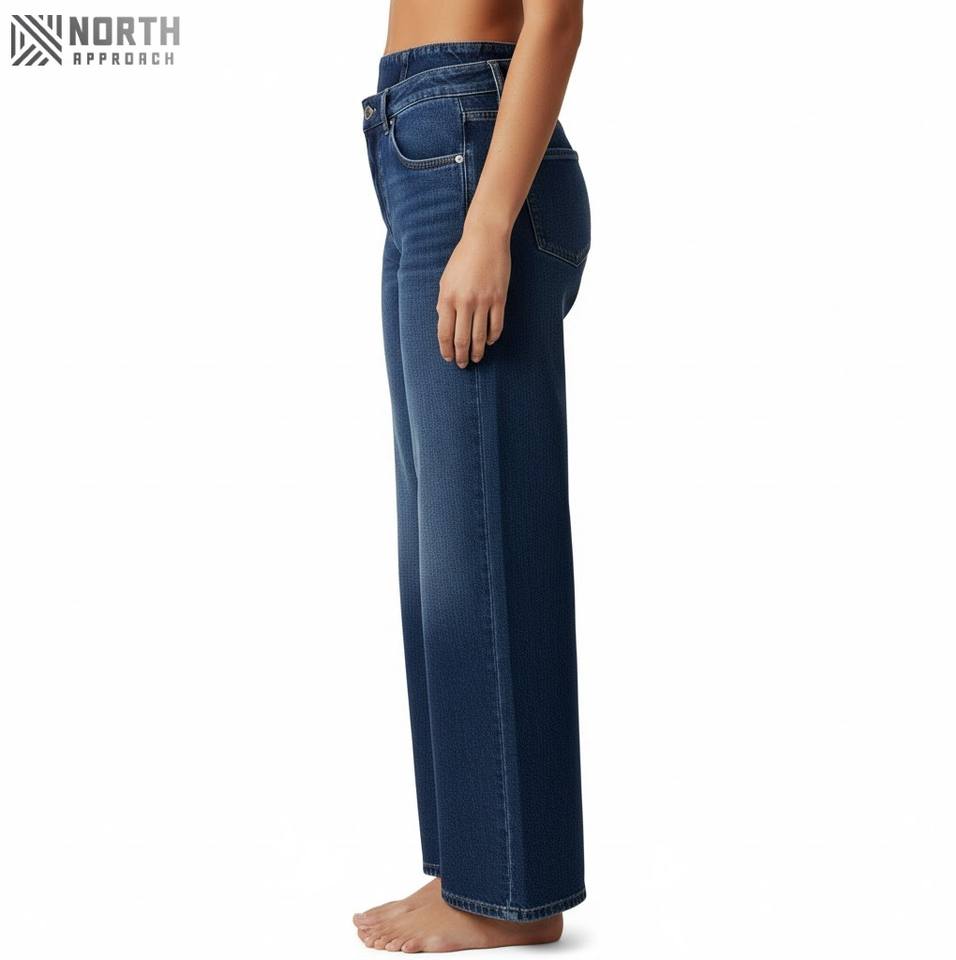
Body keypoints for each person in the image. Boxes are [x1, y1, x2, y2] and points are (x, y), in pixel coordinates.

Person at [356, 0, 590, 952]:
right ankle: (473, 866)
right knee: (442, 553)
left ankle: (507, 895)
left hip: (474, 145)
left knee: (479, 550)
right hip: (420, 142)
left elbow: (557, 18)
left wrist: (489, 221)